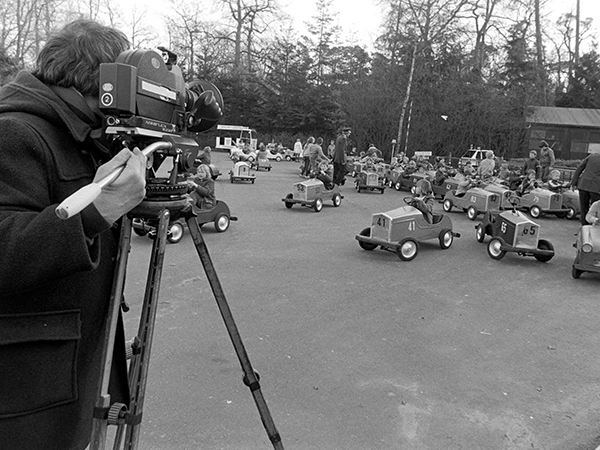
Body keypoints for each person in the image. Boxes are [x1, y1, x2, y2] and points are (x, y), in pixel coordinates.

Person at [0, 19, 147, 450]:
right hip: (26, 398)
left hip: (66, 379)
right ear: (101, 82)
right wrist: (94, 214)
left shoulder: (78, 133)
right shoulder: (16, 132)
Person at [570, 152, 600, 225]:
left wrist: (574, 183)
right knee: (595, 209)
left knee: (583, 208)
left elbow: (580, 168)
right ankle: (593, 230)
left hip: (583, 184)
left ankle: (584, 229)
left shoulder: (591, 156)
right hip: (596, 187)